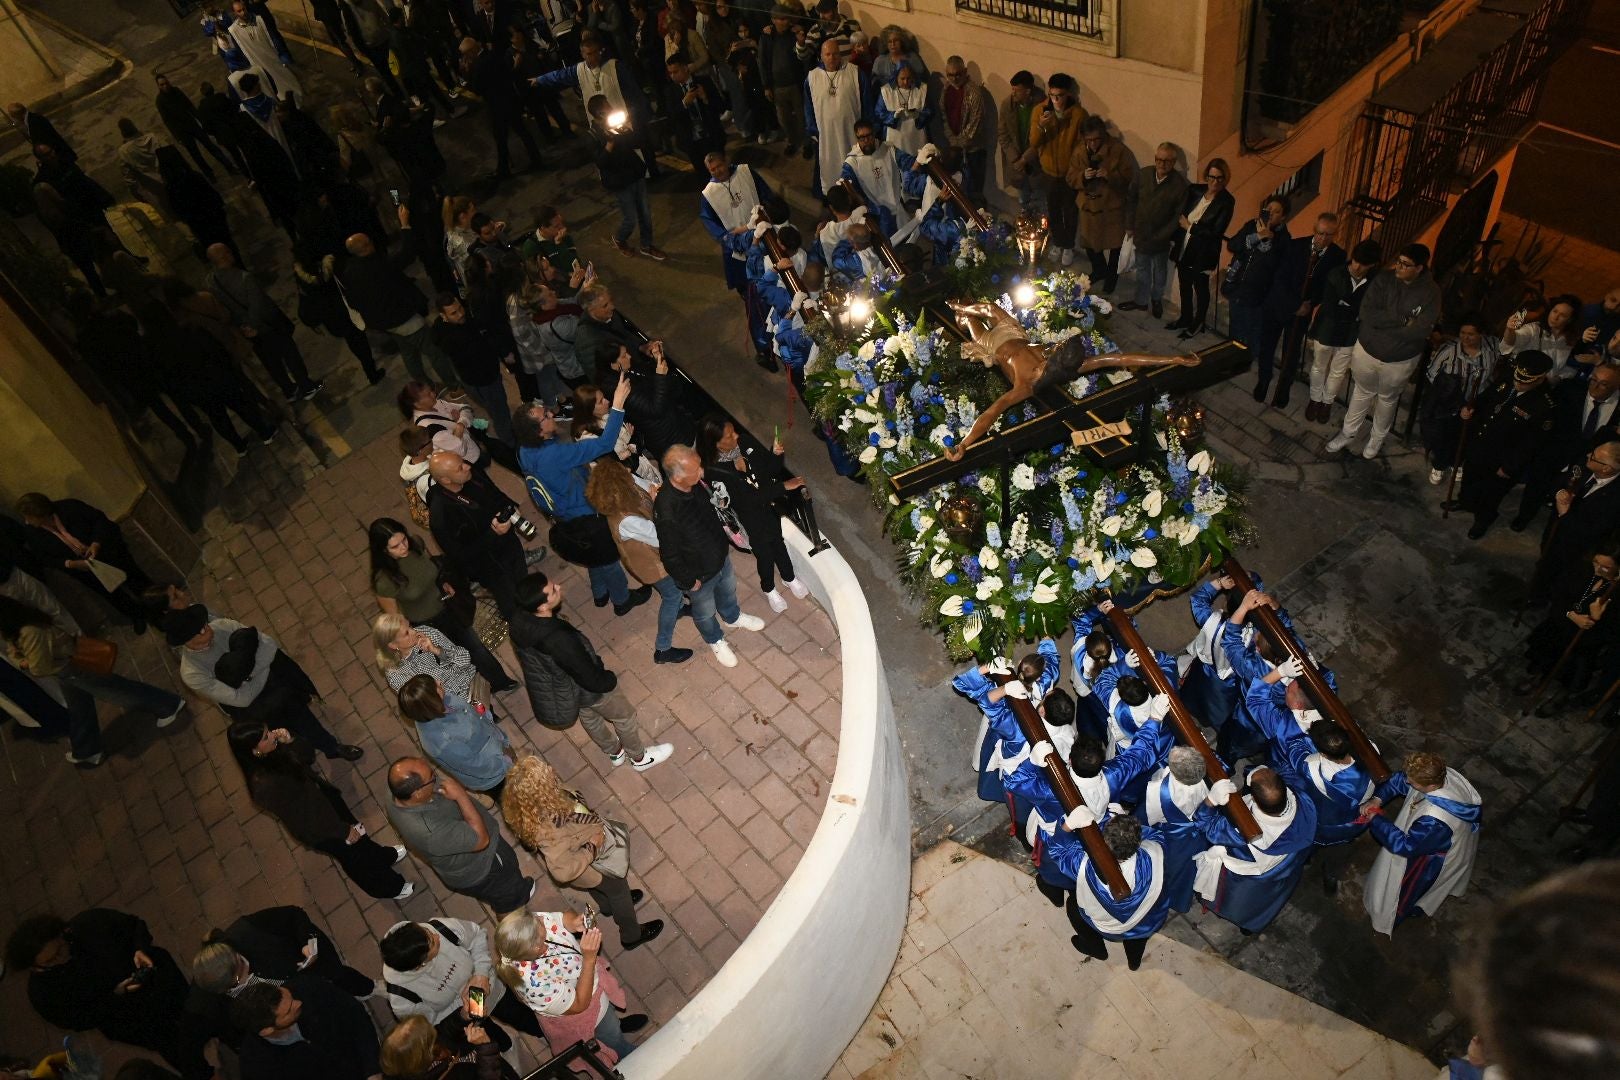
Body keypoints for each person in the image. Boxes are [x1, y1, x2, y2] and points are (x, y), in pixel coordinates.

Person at [226, 720, 411, 899]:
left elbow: (307, 757)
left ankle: (382, 857)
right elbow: (305, 819)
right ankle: (388, 888)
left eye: (269, 730)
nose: (273, 734)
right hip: (324, 828)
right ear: (254, 750)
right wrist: (341, 830)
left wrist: (290, 741)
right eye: (266, 736)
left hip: (326, 802)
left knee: (360, 837)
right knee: (355, 858)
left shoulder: (271, 752)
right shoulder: (265, 787)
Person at [509, 571, 674, 770]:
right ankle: (639, 759)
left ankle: (614, 751)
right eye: (553, 590)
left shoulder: (520, 623)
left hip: (567, 687)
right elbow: (590, 678)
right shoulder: (557, 639)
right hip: (587, 686)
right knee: (625, 716)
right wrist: (609, 680)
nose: (559, 587)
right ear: (542, 606)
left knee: (589, 717)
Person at [503, 755, 666, 950]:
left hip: (587, 865)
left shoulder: (538, 803)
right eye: (546, 774)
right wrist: (592, 848)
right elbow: (562, 872)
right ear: (540, 790)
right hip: (589, 865)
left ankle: (608, 907)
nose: (551, 769)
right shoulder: (549, 830)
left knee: (605, 891)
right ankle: (631, 935)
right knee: (619, 889)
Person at [0, 596, 183, 767]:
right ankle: (87, 750)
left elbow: (39, 669)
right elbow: (13, 651)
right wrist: (20, 658)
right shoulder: (22, 624)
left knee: (119, 692)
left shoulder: (29, 632)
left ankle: (168, 705)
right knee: (80, 707)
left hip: (72, 668)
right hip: (66, 669)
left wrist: (22, 662)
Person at [169, 604, 362, 760]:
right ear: (187, 641)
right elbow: (240, 699)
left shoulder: (222, 626)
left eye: (205, 625)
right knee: (280, 739)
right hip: (255, 709)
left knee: (302, 715)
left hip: (275, 688)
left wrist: (248, 677)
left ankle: (331, 747)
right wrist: (262, 669)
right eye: (200, 632)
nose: (208, 631)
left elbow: (268, 646)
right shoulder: (192, 673)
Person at [5, 910, 189, 1069]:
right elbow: (79, 1019)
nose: (61, 958)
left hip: (163, 983)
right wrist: (115, 996)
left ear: (63, 933)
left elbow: (134, 925)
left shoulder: (90, 923)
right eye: (50, 961)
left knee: (194, 1010)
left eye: (60, 949)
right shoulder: (43, 994)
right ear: (34, 967)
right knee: (175, 1048)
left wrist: (141, 950)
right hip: (133, 1020)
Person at [1248, 681, 1378, 894]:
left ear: (1323, 753)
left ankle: (1305, 863)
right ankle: (1330, 877)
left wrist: (1301, 719)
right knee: (1338, 852)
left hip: (1318, 819)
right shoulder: (1370, 751)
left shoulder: (1312, 768)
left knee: (1305, 844)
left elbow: (1293, 746)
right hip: (1350, 822)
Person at [1326, 243, 1445, 460]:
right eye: (1398, 261)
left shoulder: (1431, 293)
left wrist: (1386, 326)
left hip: (1399, 359)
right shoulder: (1384, 279)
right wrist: (1401, 320)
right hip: (1368, 350)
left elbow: (1420, 330)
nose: (1398, 267)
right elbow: (1367, 312)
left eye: (1405, 264)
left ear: (1419, 268)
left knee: (1387, 399)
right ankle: (1348, 433)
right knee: (1361, 392)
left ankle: (1376, 438)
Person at [369, 518, 515, 690]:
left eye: (404, 539)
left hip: (449, 609)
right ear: (383, 551)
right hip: (426, 625)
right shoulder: (384, 581)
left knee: (475, 647)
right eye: (395, 546)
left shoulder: (416, 543)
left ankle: (499, 682)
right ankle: (479, 703)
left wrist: (443, 583)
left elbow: (433, 568)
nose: (404, 547)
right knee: (450, 665)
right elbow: (396, 621)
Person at [655, 444, 766, 668]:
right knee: (704, 613)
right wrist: (689, 582)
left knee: (728, 590)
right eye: (696, 469)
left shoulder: (694, 485)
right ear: (677, 477)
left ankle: (732, 617)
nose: (702, 471)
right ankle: (715, 639)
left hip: (720, 557)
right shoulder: (667, 509)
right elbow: (670, 554)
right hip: (699, 575)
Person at [493, 909, 646, 1067]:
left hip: (594, 987)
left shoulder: (530, 923)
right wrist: (588, 960)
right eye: (542, 937)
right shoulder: (532, 985)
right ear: (534, 949)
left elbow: (559, 918)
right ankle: (630, 1055)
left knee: (612, 1021)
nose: (544, 923)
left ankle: (616, 1027)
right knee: (612, 1037)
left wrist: (573, 922)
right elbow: (579, 1004)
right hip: (588, 1014)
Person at [386, 756, 534, 911]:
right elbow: (482, 841)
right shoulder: (430, 831)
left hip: (463, 842)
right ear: (417, 793)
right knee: (506, 887)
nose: (436, 779)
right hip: (482, 866)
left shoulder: (394, 792)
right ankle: (518, 898)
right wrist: (460, 795)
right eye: (432, 778)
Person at [379, 916, 541, 1056]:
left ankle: (543, 1033)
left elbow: (477, 935)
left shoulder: (438, 929)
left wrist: (481, 974)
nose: (436, 936)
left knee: (521, 1017)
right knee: (493, 1039)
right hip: (467, 1025)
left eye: (428, 933)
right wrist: (463, 1015)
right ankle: (507, 1047)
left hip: (492, 990)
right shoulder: (401, 999)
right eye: (432, 943)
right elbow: (432, 1029)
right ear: (420, 964)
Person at [696, 414, 809, 612]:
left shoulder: (745, 443)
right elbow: (746, 500)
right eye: (729, 436)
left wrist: (776, 454)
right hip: (749, 517)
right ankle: (769, 588)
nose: (737, 436)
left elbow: (770, 470)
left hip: (770, 508)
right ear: (716, 444)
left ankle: (788, 577)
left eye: (734, 431)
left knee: (778, 542)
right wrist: (784, 487)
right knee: (764, 553)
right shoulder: (715, 470)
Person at [1442, 351, 1559, 540]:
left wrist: (1509, 467)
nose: (1518, 383)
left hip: (1501, 460)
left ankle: (1483, 519)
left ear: (1540, 379)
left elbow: (1532, 444)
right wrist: (1470, 409)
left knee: (1491, 493)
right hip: (1479, 445)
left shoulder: (1544, 406)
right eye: (1517, 378)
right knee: (1469, 479)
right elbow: (1486, 398)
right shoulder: (1508, 379)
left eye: (1525, 381)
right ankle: (1466, 502)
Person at [1364, 750, 1482, 935]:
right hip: (1434, 838)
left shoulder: (1435, 820)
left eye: (1413, 781)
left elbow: (1406, 845)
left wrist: (1375, 818)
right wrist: (1377, 799)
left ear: (1432, 785)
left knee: (1407, 887)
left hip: (1430, 859)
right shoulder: (1440, 774)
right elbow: (1399, 781)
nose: (1409, 782)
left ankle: (1398, 914)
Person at [586, 459, 692, 664]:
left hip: (655, 553)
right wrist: (657, 505)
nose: (628, 469)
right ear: (618, 484)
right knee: (672, 594)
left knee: (674, 592)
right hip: (652, 564)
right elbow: (658, 536)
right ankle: (663, 648)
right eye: (623, 471)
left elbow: (646, 485)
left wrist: (654, 493)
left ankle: (679, 608)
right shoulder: (625, 519)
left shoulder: (624, 487)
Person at [1191, 766, 1318, 933]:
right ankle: (1251, 924)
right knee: (1264, 899)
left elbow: (1205, 825)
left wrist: (1210, 801)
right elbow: (1284, 773)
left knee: (1231, 898)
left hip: (1245, 875)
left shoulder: (1244, 831)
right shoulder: (1302, 798)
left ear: (1256, 801)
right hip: (1286, 861)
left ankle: (1230, 913)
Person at [339, 207, 456, 387]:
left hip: (385, 323)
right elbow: (407, 253)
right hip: (403, 318)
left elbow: (353, 301)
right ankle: (452, 384)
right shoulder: (380, 265)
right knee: (434, 351)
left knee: (409, 352)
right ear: (367, 245)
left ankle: (423, 384)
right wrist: (405, 224)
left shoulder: (350, 271)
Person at [1045, 810, 1172, 970]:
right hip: (1148, 919)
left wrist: (1067, 826)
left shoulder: (1087, 867)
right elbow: (1153, 834)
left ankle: (1095, 948)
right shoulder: (1155, 851)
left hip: (1110, 927)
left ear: (1105, 844)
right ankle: (1134, 962)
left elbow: (1059, 851)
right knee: (1138, 938)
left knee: (1073, 905)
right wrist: (1120, 821)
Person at [15, 492, 156, 630]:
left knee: (134, 578)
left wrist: (96, 544)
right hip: (83, 569)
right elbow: (44, 558)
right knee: (113, 594)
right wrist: (70, 564)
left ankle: (157, 604)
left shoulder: (70, 507)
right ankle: (137, 615)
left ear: (42, 513)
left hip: (107, 553)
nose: (27, 521)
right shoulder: (31, 532)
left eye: (29, 517)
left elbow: (100, 520)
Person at [529, 32, 659, 179]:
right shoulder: (579, 70)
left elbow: (634, 91)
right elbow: (559, 76)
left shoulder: (614, 67)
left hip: (623, 117)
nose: (593, 56)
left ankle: (650, 173)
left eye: (596, 52)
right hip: (600, 122)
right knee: (613, 151)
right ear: (583, 54)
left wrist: (642, 111)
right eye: (589, 54)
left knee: (638, 145)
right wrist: (540, 80)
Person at [204, 243, 321, 404]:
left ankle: (289, 390)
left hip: (244, 327)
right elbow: (257, 305)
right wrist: (253, 325)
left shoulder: (211, 281)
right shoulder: (245, 278)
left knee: (271, 361)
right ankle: (306, 386)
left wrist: (244, 327)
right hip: (266, 324)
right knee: (289, 352)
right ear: (226, 256)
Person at [426, 450, 533, 619]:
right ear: (446, 480)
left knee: (524, 582)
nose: (468, 466)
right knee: (509, 602)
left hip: (509, 544)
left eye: (463, 461)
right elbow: (459, 555)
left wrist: (510, 507)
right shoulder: (441, 515)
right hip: (490, 566)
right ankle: (522, 630)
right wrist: (493, 534)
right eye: (460, 467)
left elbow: (494, 493)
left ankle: (535, 612)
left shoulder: (471, 475)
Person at [189, 907, 373, 1004]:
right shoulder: (220, 990)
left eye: (240, 970)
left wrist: (307, 943)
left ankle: (368, 989)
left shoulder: (248, 930)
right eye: (236, 982)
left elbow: (294, 915)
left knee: (341, 975)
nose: (244, 978)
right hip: (304, 997)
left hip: (317, 963)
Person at [1517, 360, 1620, 529]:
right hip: (1555, 452)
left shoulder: (1617, 410)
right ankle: (1524, 516)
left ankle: (1558, 526)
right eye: (1593, 380)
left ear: (1616, 387)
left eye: (1603, 384)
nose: (1595, 386)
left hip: (1588, 461)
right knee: (1537, 486)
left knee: (1570, 499)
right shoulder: (1569, 390)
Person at [1261, 212, 1346, 408]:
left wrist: (1309, 304)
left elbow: (1329, 287)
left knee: (1291, 354)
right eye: (1320, 233)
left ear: (1335, 235)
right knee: (1267, 346)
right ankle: (1264, 380)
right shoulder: (1295, 246)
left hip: (1304, 310)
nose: (1323, 239)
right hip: (1280, 305)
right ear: (1314, 230)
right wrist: (1294, 305)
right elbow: (1280, 278)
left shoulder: (1337, 256)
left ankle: (1283, 390)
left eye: (1329, 235)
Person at [700, 150, 777, 365]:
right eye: (712, 170)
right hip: (739, 254)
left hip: (766, 239)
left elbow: (766, 195)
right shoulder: (709, 194)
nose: (717, 171)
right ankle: (765, 350)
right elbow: (712, 224)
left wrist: (767, 214)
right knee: (755, 305)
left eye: (719, 166)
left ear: (726, 162)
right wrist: (731, 238)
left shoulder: (745, 171)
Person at [231, 976, 380, 1080]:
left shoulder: (307, 986)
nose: (299, 1003)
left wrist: (372, 1069)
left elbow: (355, 1016)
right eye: (289, 1010)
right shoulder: (258, 1068)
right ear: (267, 1030)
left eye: (290, 996)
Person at [397, 674, 514, 800]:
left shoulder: (441, 700)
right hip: (495, 775)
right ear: (431, 702)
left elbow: (469, 710)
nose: (439, 681)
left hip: (497, 747)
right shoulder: (442, 743)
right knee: (515, 802)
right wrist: (505, 762)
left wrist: (484, 715)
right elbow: (475, 766)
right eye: (435, 686)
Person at [1303, 240, 1381, 424]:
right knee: (1319, 365)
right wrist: (1354, 311)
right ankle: (1315, 399)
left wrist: (1346, 305)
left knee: (1338, 371)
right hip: (1328, 328)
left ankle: (1327, 402)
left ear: (1372, 265)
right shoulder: (1337, 273)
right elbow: (1330, 305)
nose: (1358, 267)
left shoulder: (1374, 281)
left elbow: (1369, 309)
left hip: (1349, 333)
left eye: (1364, 264)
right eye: (1356, 261)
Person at [1532, 440, 1620, 599]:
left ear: (1606, 468)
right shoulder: (1584, 465)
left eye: (1593, 456)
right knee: (1545, 561)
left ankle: (1543, 597)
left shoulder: (1615, 498)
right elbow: (1559, 480)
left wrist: (1565, 515)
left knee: (1560, 575)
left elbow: (1594, 531)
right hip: (1554, 531)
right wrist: (1559, 492)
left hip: (1575, 548)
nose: (1588, 455)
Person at [1016, 73, 1085, 266]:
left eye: (1060, 96)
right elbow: (1034, 142)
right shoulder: (1040, 111)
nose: (1056, 100)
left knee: (1070, 211)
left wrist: (1074, 167)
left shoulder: (1078, 115)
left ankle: (1068, 245)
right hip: (1048, 170)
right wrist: (1042, 126)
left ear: (1068, 95)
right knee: (1053, 209)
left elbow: (1081, 146)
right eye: (1052, 95)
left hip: (1068, 172)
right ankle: (1058, 242)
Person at [431, 293, 517, 447]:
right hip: (485, 378)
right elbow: (485, 347)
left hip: (469, 379)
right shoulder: (457, 337)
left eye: (460, 308)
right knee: (500, 410)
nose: (461, 313)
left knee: (491, 406)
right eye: (454, 313)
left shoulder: (440, 328)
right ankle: (510, 442)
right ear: (443, 315)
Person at [585, 95, 664, 260]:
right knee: (631, 218)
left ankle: (646, 245)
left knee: (645, 214)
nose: (611, 108)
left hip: (635, 173)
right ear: (599, 113)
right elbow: (601, 163)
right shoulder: (592, 135)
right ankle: (620, 239)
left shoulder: (616, 124)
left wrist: (627, 129)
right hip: (620, 182)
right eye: (607, 106)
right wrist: (609, 144)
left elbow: (637, 143)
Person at [1421, 316, 1498, 485]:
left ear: (1481, 334)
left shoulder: (1491, 346)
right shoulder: (1449, 350)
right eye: (1463, 333)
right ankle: (1440, 464)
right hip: (1450, 401)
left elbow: (1508, 346)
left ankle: (1456, 462)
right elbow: (1433, 374)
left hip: (1478, 398)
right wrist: (1454, 398)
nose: (1466, 337)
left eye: (1471, 334)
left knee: (1467, 434)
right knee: (1445, 434)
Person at [1222, 193, 1291, 381]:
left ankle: (1245, 361)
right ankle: (1231, 359)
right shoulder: (1253, 225)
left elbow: (1275, 268)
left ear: (1283, 216)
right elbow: (1234, 245)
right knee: (1236, 327)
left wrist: (1268, 241)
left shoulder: (1283, 239)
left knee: (1253, 331)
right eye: (1269, 209)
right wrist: (1256, 236)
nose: (1271, 214)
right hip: (1238, 286)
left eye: (1276, 212)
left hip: (1258, 294)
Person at [1117, 143, 1187, 320]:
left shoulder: (1179, 185)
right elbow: (1131, 199)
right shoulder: (1143, 174)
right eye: (1159, 159)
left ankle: (1156, 300)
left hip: (1161, 240)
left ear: (1174, 162)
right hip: (1141, 233)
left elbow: (1177, 217)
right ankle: (1141, 301)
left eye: (1167, 161)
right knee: (1142, 270)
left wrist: (1162, 236)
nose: (1162, 164)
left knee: (1160, 272)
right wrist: (1129, 224)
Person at [458, 35, 540, 183]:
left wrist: (468, 72)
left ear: (470, 52)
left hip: (497, 107)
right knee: (521, 131)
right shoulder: (493, 55)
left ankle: (504, 170)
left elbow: (477, 89)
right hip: (510, 100)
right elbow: (507, 74)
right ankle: (534, 159)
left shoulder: (479, 65)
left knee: (501, 138)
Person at [1070, 115, 1136, 295]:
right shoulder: (1079, 151)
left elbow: (1129, 179)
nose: (1092, 144)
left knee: (1114, 244)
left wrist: (1109, 176)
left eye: (1096, 139)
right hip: (1088, 206)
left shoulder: (1118, 151)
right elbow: (1071, 177)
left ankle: (1112, 276)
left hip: (1110, 206)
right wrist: (1083, 176)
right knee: (1090, 243)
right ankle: (1099, 269)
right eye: (1088, 140)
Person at [804, 36, 873, 197]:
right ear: (821, 56)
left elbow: (866, 101)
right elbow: (808, 106)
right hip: (827, 136)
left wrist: (867, 128)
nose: (832, 58)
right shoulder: (812, 78)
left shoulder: (855, 73)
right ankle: (834, 199)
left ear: (840, 55)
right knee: (830, 167)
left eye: (835, 54)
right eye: (827, 54)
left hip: (851, 133)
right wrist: (813, 130)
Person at [154, 75, 236, 179]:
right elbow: (167, 121)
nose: (165, 86)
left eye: (166, 83)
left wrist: (201, 120)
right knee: (196, 155)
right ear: (158, 86)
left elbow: (189, 105)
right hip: (182, 132)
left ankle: (229, 166)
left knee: (210, 146)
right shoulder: (160, 101)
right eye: (162, 84)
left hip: (191, 124)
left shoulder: (176, 91)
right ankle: (210, 175)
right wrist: (177, 137)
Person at [379, 1015, 509, 1080]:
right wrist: (486, 1048)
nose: (434, 1030)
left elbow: (444, 1030)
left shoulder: (408, 1059)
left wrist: (463, 1014)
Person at [839, 118, 916, 228]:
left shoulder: (888, 148)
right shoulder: (852, 162)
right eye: (862, 138)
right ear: (857, 137)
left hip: (898, 209)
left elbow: (907, 162)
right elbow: (848, 185)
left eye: (869, 136)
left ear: (874, 133)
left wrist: (920, 159)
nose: (866, 140)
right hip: (877, 216)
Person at [226, 0, 302, 101]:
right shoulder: (233, 30)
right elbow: (240, 50)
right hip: (258, 63)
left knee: (286, 80)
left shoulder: (259, 20)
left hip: (272, 58)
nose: (243, 13)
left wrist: (280, 54)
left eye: (243, 9)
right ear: (235, 13)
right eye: (239, 11)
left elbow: (272, 37)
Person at [665, 53, 726, 173]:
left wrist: (705, 98)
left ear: (685, 68)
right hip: (692, 141)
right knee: (703, 176)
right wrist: (684, 104)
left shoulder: (704, 81)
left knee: (721, 171)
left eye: (676, 72)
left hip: (712, 136)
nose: (673, 76)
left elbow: (721, 107)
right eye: (670, 73)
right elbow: (671, 117)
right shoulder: (670, 91)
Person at [759, 6, 807, 157]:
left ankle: (806, 143)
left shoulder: (794, 34)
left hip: (795, 84)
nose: (785, 22)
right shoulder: (767, 37)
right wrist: (767, 86)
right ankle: (792, 142)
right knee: (784, 118)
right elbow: (763, 62)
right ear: (773, 20)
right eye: (781, 19)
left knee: (802, 116)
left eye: (787, 18)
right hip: (777, 86)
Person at [1501, 294, 1582, 382]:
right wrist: (1509, 329)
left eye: (1562, 315)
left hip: (1543, 389)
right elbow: (1511, 341)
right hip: (1519, 381)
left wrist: (1558, 378)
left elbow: (1570, 367)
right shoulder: (1534, 329)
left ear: (1570, 320)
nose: (1555, 317)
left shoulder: (1570, 340)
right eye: (1555, 311)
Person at [996, 71, 1040, 214]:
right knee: (1023, 201)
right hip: (1016, 164)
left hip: (1035, 162)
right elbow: (1003, 134)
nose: (1013, 94)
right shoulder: (1007, 105)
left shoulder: (1040, 106)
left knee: (1039, 201)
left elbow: (1041, 139)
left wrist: (1025, 159)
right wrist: (1015, 159)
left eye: (1017, 90)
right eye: (1012, 89)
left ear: (1027, 91)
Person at [874, 63, 929, 155]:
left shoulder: (921, 89)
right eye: (902, 78)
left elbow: (930, 111)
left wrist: (918, 115)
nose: (906, 82)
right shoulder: (886, 91)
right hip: (895, 136)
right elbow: (879, 113)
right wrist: (893, 116)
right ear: (896, 77)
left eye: (909, 78)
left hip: (915, 136)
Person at [5, 101, 76, 163]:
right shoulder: (32, 119)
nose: (14, 119)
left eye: (13, 116)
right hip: (59, 156)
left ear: (17, 115)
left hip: (59, 157)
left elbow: (45, 140)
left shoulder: (34, 121)